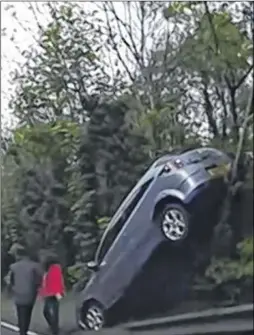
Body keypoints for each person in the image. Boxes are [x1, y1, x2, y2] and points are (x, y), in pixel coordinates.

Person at [9, 246, 42, 335]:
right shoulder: (35, 266)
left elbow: (11, 281)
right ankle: (24, 329)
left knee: (20, 312)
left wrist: (13, 288)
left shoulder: (13, 267)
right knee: (27, 313)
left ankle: (22, 330)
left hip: (18, 293)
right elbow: (38, 280)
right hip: (30, 294)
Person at [39, 253, 65, 335]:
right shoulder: (47, 269)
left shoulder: (54, 268)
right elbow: (44, 282)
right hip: (48, 293)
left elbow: (57, 281)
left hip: (53, 294)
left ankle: (55, 330)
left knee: (53, 312)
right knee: (47, 312)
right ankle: (53, 327)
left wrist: (58, 293)